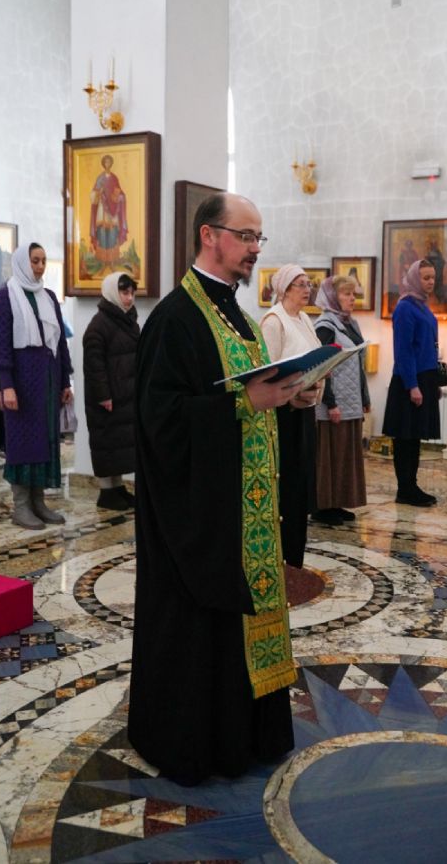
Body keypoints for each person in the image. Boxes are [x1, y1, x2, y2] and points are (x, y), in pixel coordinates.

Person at [128, 192, 302, 786]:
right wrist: (243, 402)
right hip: (200, 517)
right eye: (246, 236)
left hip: (243, 509)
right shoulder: (174, 319)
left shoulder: (240, 316)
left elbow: (254, 396)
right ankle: (198, 743)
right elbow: (159, 421)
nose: (255, 248)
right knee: (199, 629)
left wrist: (290, 395)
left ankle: (248, 735)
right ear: (209, 235)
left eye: (258, 238)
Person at [0, 243, 73, 529]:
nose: (39, 266)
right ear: (23, 262)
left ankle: (39, 502)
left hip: (48, 382)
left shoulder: (48, 296)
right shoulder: (7, 296)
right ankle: (22, 506)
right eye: (35, 261)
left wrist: (65, 380)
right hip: (22, 384)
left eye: (43, 261)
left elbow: (59, 343)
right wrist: (6, 385)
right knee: (22, 442)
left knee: (44, 441)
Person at [260, 264, 322, 566]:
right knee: (287, 488)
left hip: (305, 413)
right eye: (301, 284)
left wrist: (318, 383)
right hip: (283, 417)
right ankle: (281, 560)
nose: (307, 289)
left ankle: (295, 560)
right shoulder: (274, 321)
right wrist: (293, 396)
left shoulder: (304, 319)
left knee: (302, 487)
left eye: (309, 284)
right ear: (284, 289)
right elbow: (267, 376)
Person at [382, 259, 441, 506]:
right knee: (405, 437)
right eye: (426, 277)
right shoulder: (405, 307)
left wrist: (433, 383)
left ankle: (411, 486)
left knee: (415, 436)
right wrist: (412, 385)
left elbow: (429, 345)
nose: (430, 282)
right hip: (409, 379)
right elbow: (403, 350)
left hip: (424, 377)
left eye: (433, 277)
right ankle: (404, 489)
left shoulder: (422, 305)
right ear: (415, 278)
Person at [312, 275, 370, 526]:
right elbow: (322, 367)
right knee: (330, 455)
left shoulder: (350, 324)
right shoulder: (325, 326)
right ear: (333, 297)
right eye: (347, 294)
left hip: (351, 401)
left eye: (353, 294)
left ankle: (338, 502)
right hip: (333, 404)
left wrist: (364, 397)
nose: (352, 299)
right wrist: (330, 402)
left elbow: (358, 362)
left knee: (345, 454)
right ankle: (323, 507)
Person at [83, 272, 139, 511]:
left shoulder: (128, 320)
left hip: (125, 395)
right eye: (124, 293)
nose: (129, 298)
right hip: (108, 398)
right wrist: (103, 395)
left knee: (120, 446)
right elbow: (94, 367)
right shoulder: (99, 325)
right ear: (112, 293)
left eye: (132, 293)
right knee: (106, 445)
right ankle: (106, 492)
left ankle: (117, 489)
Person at [90, 154, 128, 268]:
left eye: (109, 162)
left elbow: (120, 192)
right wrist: (99, 192)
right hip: (102, 209)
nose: (107, 164)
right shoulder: (100, 178)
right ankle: (102, 261)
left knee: (112, 232)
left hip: (113, 210)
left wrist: (120, 196)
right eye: (105, 162)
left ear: (111, 163)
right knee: (102, 232)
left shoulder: (114, 178)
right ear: (103, 164)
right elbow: (93, 195)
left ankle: (112, 260)